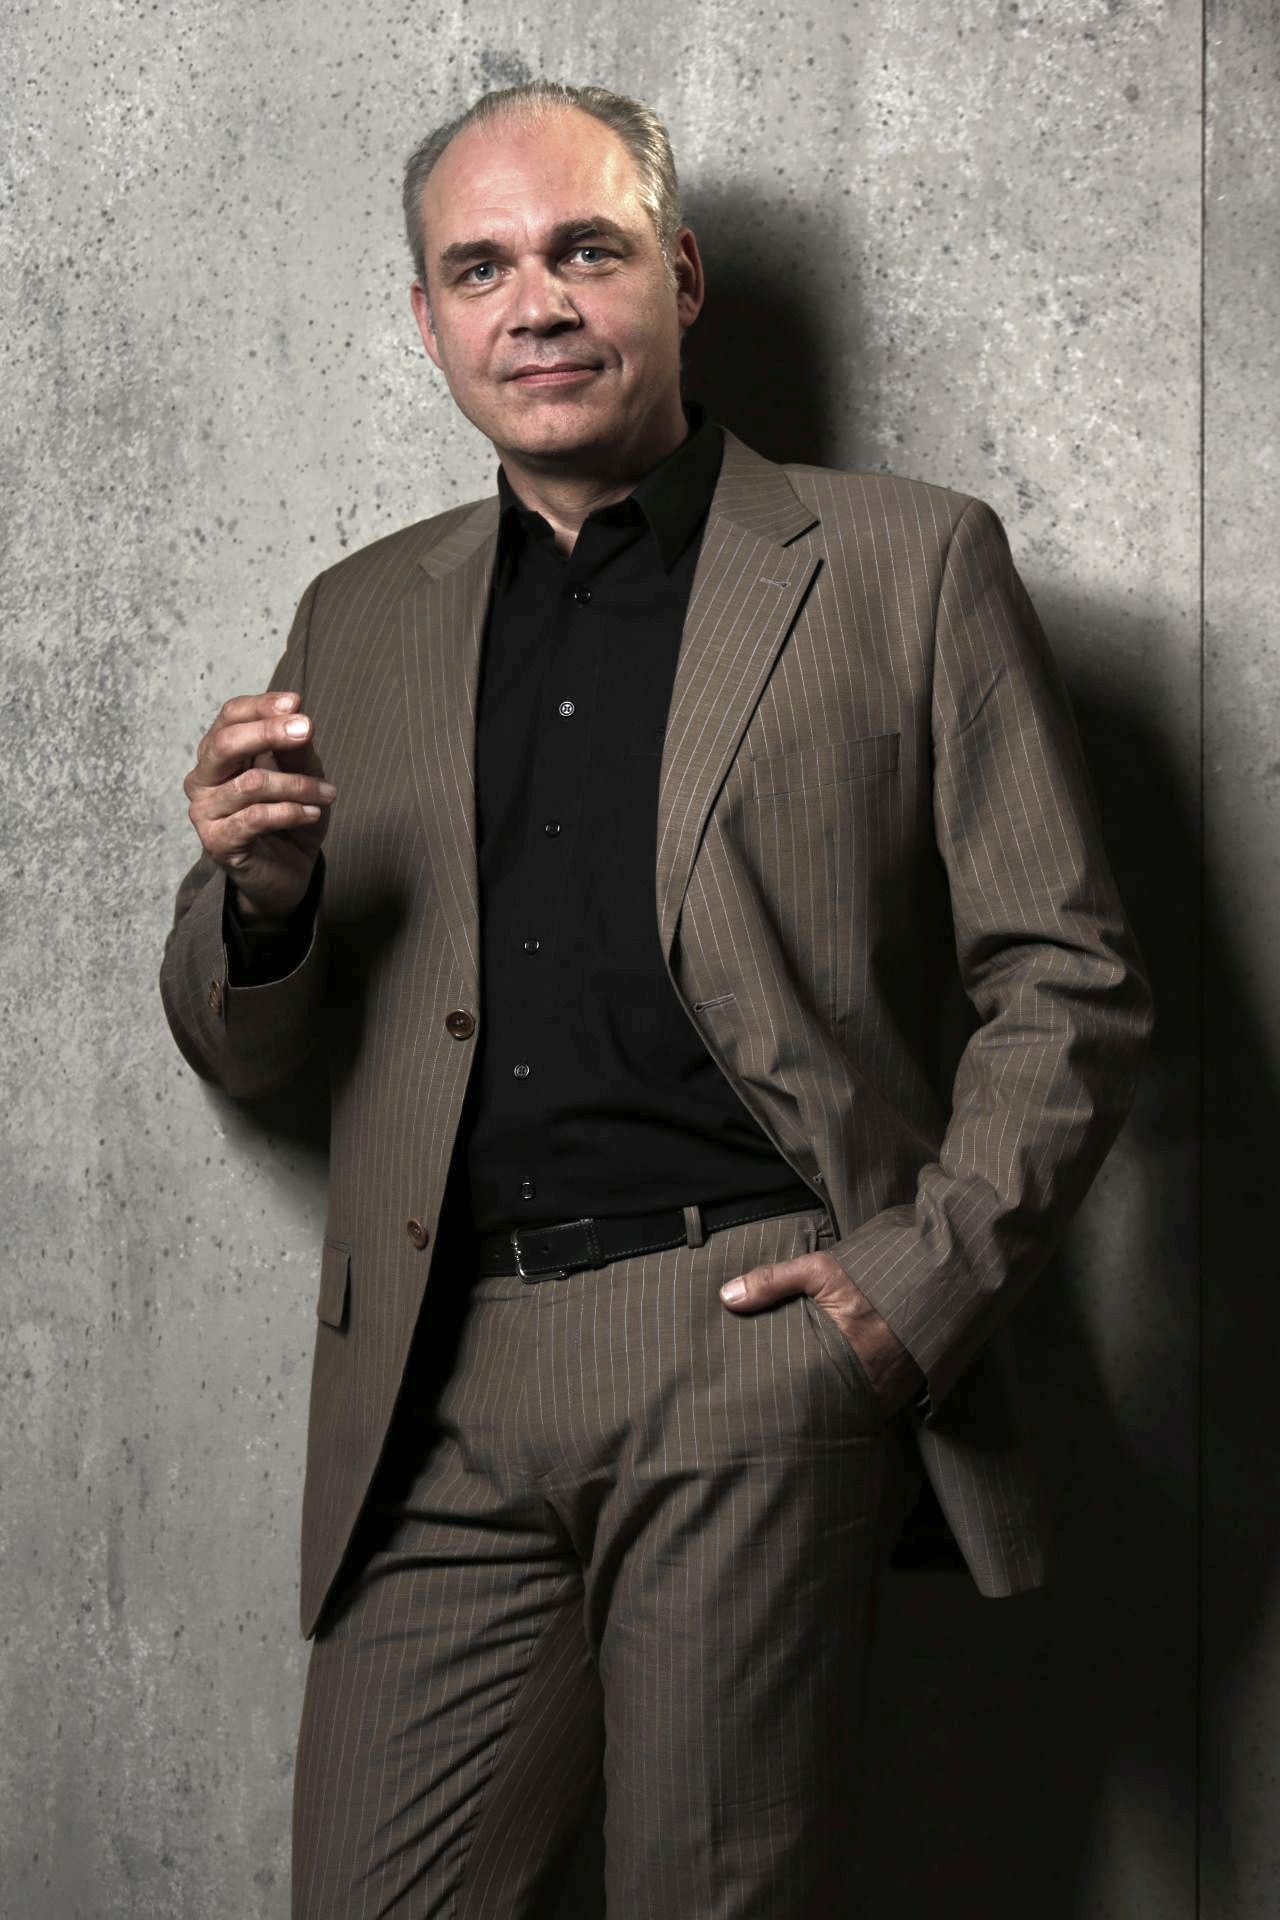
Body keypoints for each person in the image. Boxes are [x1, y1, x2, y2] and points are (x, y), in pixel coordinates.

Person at [160, 79, 1153, 1920]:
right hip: (435, 1377)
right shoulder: (355, 615)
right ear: (427, 320)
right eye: (480, 269)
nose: (535, 303)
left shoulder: (906, 563)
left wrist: (914, 1285)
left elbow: (1069, 973)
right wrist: (262, 902)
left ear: (678, 277)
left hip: (750, 1332)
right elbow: (245, 1045)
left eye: (585, 250)